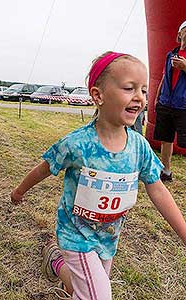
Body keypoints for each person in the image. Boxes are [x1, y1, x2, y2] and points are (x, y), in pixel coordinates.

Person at [11, 51, 186, 300]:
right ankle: (62, 261)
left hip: (108, 238)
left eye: (144, 90)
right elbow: (44, 168)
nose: (139, 97)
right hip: (75, 234)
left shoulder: (139, 147)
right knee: (98, 295)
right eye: (129, 88)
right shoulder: (77, 144)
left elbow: (157, 188)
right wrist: (19, 191)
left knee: (88, 287)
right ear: (98, 95)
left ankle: (56, 265)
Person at [154, 20, 186, 182]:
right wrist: (157, 98)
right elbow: (164, 77)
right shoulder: (170, 54)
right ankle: (166, 172)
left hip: (183, 105)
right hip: (166, 103)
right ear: (179, 34)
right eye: (185, 30)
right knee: (165, 139)